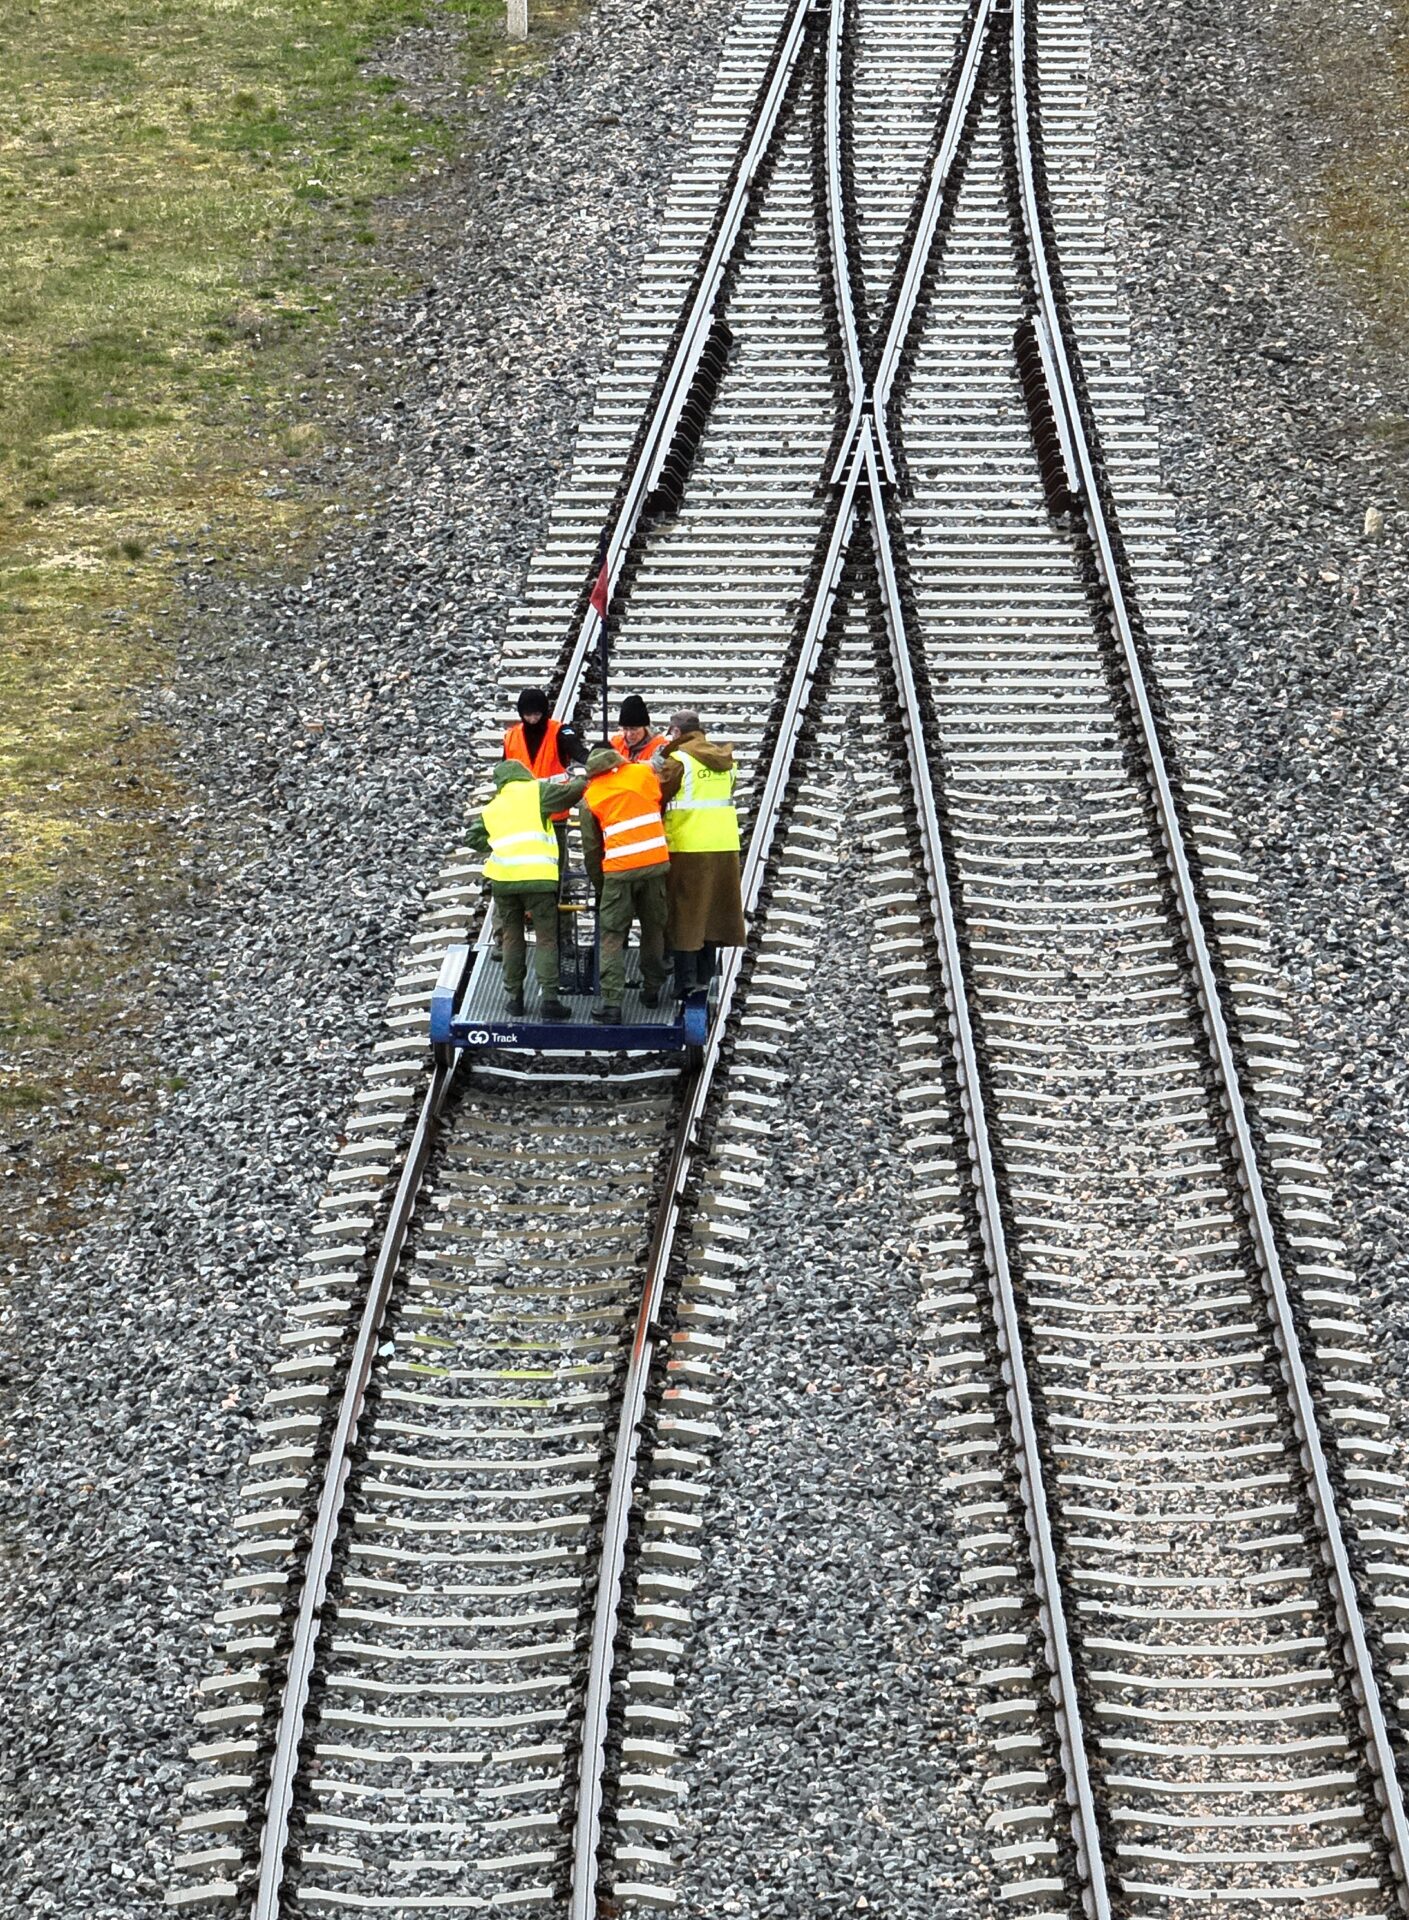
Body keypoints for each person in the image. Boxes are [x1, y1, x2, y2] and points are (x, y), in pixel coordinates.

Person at [467, 760, 588, 1019]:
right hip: (538, 880)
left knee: (512, 938)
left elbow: (472, 837)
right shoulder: (537, 791)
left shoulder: (493, 806)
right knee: (546, 938)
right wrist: (581, 776)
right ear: (524, 774)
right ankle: (550, 1000)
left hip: (504, 882)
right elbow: (572, 793)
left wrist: (498, 844)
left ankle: (515, 999)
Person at [653, 709, 745, 998]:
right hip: (724, 846)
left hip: (688, 847)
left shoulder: (679, 761)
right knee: (713, 911)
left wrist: (653, 769)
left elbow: (657, 795)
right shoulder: (726, 762)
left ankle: (685, 982)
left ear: (676, 732)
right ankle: (706, 975)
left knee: (685, 913)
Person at [579, 746, 670, 1022]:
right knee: (654, 928)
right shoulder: (642, 774)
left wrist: (601, 884)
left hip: (619, 872)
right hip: (655, 864)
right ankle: (652, 990)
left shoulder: (591, 796)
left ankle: (612, 1004)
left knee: (612, 935)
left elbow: (591, 848)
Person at [610, 694, 668, 764]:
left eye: (634, 729)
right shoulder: (616, 743)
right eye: (625, 729)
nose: (629, 734)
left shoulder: (660, 746)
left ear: (645, 727)